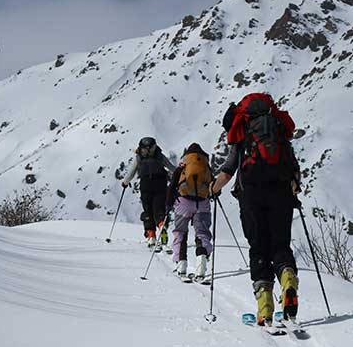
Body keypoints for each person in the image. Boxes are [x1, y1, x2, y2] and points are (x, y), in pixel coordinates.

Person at [211, 93, 301, 326]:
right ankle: (287, 276)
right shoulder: (278, 128)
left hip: (251, 195)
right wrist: (293, 186)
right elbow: (293, 165)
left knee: (259, 249)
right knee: (280, 245)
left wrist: (214, 188)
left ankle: (265, 307)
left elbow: (230, 167)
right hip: (281, 192)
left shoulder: (242, 130)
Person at [166, 143, 213, 280]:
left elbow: (172, 185)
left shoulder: (182, 167)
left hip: (183, 203)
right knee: (202, 233)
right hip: (202, 204)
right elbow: (215, 187)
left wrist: (168, 204)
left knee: (180, 232)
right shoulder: (206, 167)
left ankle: (181, 266)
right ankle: (201, 263)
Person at [121, 137, 176, 247]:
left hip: (145, 185)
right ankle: (161, 225)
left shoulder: (139, 157)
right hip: (160, 184)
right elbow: (171, 168)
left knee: (148, 210)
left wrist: (125, 183)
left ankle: (151, 236)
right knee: (159, 209)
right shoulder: (159, 155)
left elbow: (131, 172)